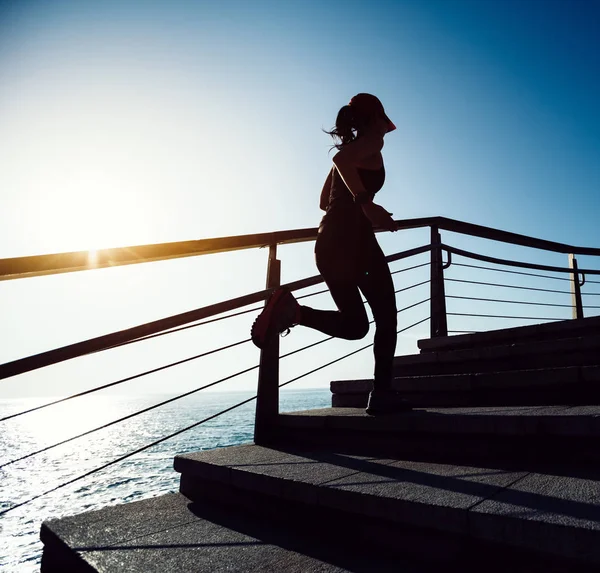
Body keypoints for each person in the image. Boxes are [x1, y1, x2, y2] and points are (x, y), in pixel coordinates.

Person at [251, 93, 410, 415]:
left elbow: (325, 201)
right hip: (356, 242)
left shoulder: (352, 149)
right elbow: (340, 164)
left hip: (330, 243)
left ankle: (293, 312)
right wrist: (366, 203)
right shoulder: (372, 143)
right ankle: (382, 395)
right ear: (376, 117)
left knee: (356, 327)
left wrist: (360, 201)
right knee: (386, 319)